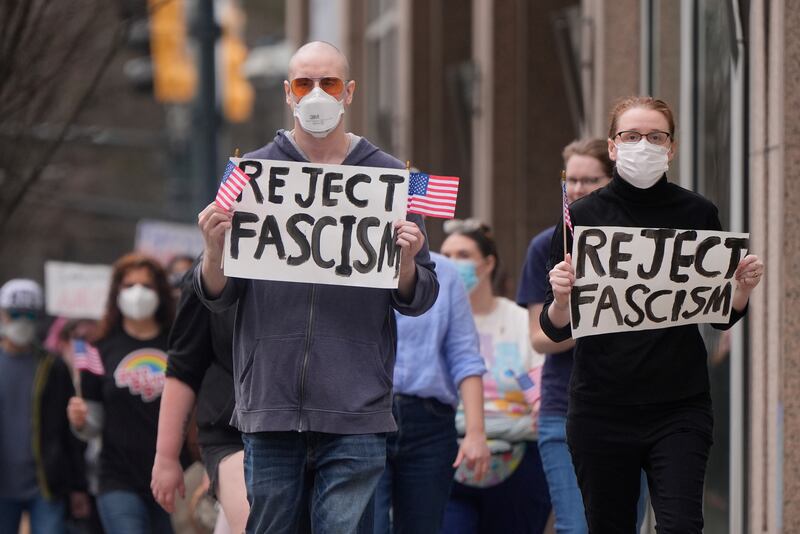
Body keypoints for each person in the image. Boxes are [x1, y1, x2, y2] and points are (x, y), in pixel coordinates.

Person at [195, 41, 439, 534]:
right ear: (288, 93)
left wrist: (408, 262)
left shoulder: (394, 178)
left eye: (328, 83)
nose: (316, 94)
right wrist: (213, 251)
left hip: (356, 409)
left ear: (348, 92)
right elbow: (217, 294)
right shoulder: (247, 174)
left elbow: (421, 297)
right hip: (269, 406)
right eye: (304, 83)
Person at [540, 96, 764, 533]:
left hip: (679, 407)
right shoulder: (579, 219)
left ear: (671, 148)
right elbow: (552, 327)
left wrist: (741, 290)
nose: (644, 144)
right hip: (600, 408)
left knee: (682, 525)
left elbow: (718, 317)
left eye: (655, 136)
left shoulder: (698, 213)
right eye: (632, 135)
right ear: (613, 146)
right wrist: (562, 297)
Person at [518, 138, 653, 534]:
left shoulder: (641, 247)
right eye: (570, 181)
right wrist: (599, 318)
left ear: (612, 181)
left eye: (588, 180)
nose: (576, 190)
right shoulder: (546, 245)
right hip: (565, 411)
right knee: (577, 527)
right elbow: (539, 339)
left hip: (636, 411)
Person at [439, 222, 551, 534]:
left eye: (463, 254)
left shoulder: (517, 319)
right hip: (446, 460)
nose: (452, 262)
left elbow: (532, 374)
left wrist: (540, 399)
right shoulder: (433, 320)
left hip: (520, 463)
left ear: (488, 263)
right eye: (445, 255)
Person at [373, 251, 490, 534]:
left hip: (430, 424)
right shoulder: (354, 264)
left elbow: (464, 355)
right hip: (365, 418)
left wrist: (476, 432)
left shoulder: (446, 272)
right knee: (367, 526)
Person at [67, 253, 182, 534]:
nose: (137, 293)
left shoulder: (179, 343)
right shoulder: (99, 347)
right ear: (116, 293)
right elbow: (93, 423)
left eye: (146, 286)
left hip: (171, 478)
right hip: (117, 478)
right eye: (129, 286)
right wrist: (80, 420)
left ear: (161, 293)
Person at [151, 260, 247, 534]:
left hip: (329, 432)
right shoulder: (210, 270)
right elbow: (184, 367)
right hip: (232, 433)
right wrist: (166, 457)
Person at [0, 279, 89, 534]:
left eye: (30, 315)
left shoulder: (53, 367)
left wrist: (77, 485)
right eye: (15, 314)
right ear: (2, 314)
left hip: (47, 485)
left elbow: (68, 431)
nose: (22, 321)